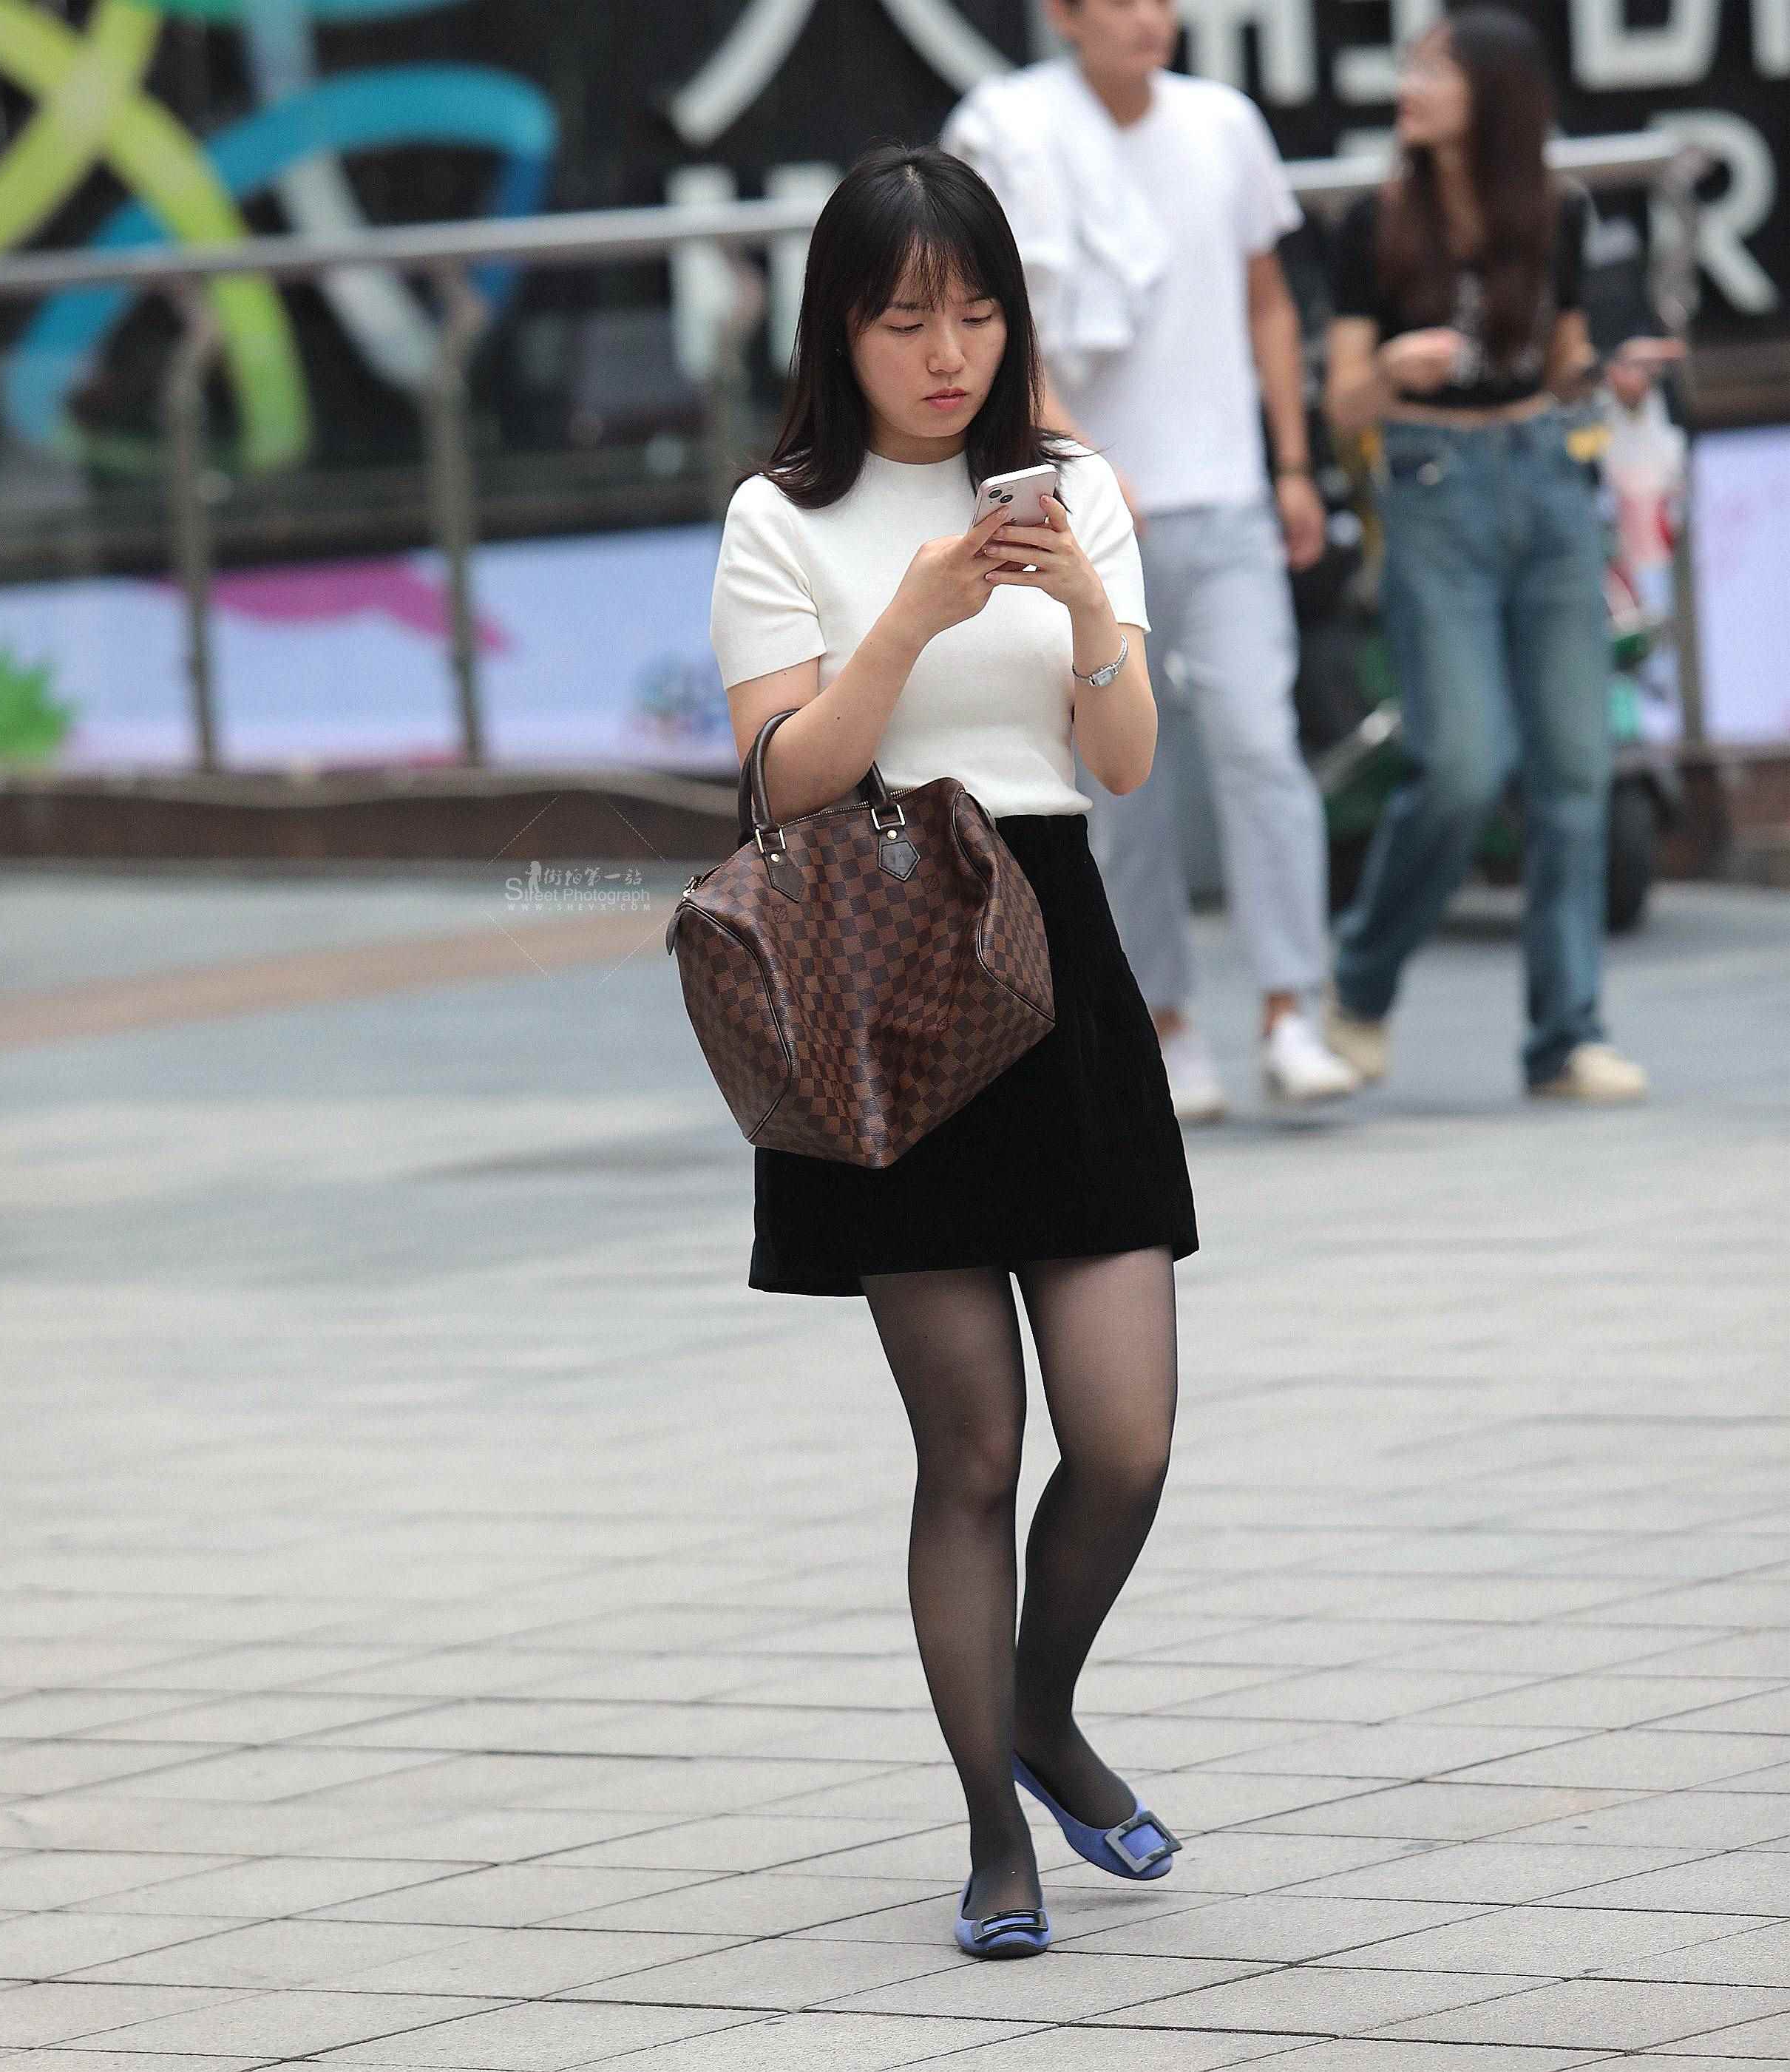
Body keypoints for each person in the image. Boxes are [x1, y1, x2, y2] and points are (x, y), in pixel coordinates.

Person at [707, 142, 1196, 1959]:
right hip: (883, 965)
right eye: (906, 318)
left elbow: (1122, 763)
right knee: (972, 1453)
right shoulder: (779, 519)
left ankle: (1042, 1711)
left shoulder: (1073, 488)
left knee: (1124, 1440)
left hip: (1055, 947)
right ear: (838, 328)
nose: (946, 354)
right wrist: (909, 618)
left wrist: (1081, 608)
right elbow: (781, 783)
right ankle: (996, 1832)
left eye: (977, 314)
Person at [943, 0, 1360, 1120]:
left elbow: (1269, 302)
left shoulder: (1223, 122)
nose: (1152, 18)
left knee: (1259, 743)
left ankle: (1290, 1008)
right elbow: (984, 320)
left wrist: (1292, 462)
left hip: (1224, 494)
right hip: (1086, 515)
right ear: (1063, 17)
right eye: (1121, 1)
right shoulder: (1003, 125)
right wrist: (1077, 456)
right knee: (1119, 780)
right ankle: (1164, 1024)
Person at [1321, 5, 1681, 1102]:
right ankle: (1362, 983)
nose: (1410, 86)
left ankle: (1565, 1035)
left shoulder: (1553, 212)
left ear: (1493, 94)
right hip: (1433, 486)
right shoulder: (1376, 224)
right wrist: (1394, 369)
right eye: (1411, 66)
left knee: (1575, 769)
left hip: (1547, 480)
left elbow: (1562, 361)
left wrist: (1611, 376)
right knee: (1463, 765)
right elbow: (1342, 401)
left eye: (1434, 69)